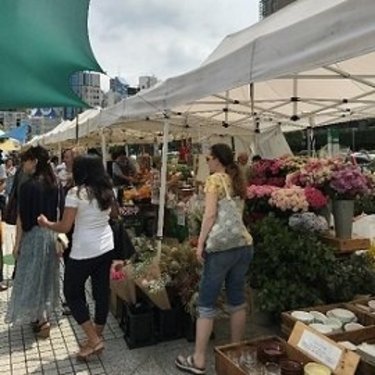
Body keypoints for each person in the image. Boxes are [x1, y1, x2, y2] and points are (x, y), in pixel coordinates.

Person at [175, 143, 253, 375]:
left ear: (217, 159)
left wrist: (200, 244)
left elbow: (209, 215)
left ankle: (198, 360)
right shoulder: (236, 179)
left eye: (208, 157)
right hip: (243, 245)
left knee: (206, 303)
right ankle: (236, 352)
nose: (206, 161)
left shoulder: (214, 179)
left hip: (220, 248)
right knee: (237, 299)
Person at [38, 154, 121, 361]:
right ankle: (96, 336)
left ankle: (94, 340)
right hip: (106, 246)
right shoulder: (107, 191)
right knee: (101, 291)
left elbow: (65, 226)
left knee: (72, 293)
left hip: (84, 250)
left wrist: (47, 223)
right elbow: (114, 215)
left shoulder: (75, 193)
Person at [5, 146, 60, 338]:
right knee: (45, 276)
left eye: (26, 160)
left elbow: (22, 219)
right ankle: (43, 316)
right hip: (50, 235)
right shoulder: (54, 184)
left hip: (33, 237)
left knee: (30, 276)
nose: (23, 164)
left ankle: (41, 319)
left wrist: (16, 245)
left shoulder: (27, 186)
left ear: (35, 161)